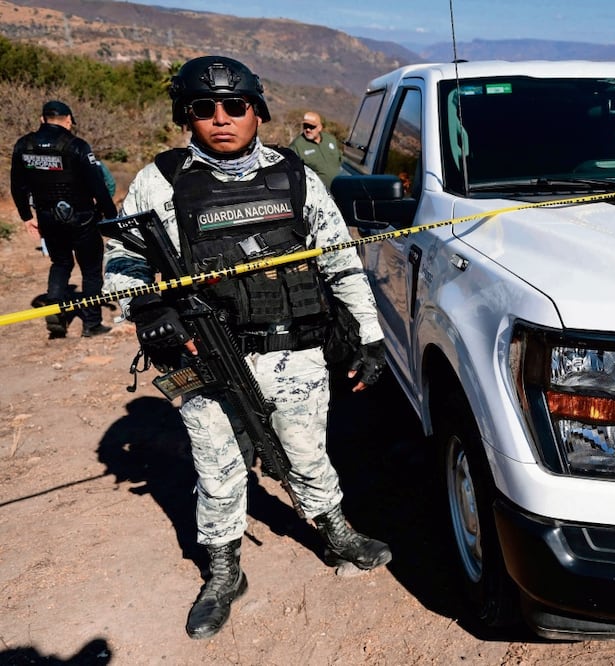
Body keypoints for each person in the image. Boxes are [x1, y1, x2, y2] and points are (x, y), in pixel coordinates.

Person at [103, 55, 391, 640]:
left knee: (306, 449)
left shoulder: (294, 176)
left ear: (255, 110)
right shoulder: (162, 180)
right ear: (187, 116)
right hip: (204, 355)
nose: (221, 119)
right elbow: (123, 263)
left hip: (294, 350)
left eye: (235, 106)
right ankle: (223, 567)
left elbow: (340, 262)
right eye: (203, 109)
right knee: (219, 468)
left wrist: (371, 337)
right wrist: (150, 310)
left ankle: (334, 527)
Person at [11, 100, 118, 338]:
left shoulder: (23, 145)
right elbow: (98, 186)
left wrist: (27, 217)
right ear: (68, 120)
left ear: (42, 119)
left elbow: (17, 186)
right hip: (81, 218)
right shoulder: (76, 145)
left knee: (60, 264)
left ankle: (56, 313)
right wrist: (111, 217)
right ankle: (92, 324)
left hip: (48, 217)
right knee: (90, 271)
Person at [287, 110, 343, 189]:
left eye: (312, 127)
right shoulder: (297, 145)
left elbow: (341, 160)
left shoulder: (330, 139)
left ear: (320, 127)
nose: (308, 130)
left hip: (340, 188)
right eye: (305, 126)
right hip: (318, 193)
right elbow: (291, 171)